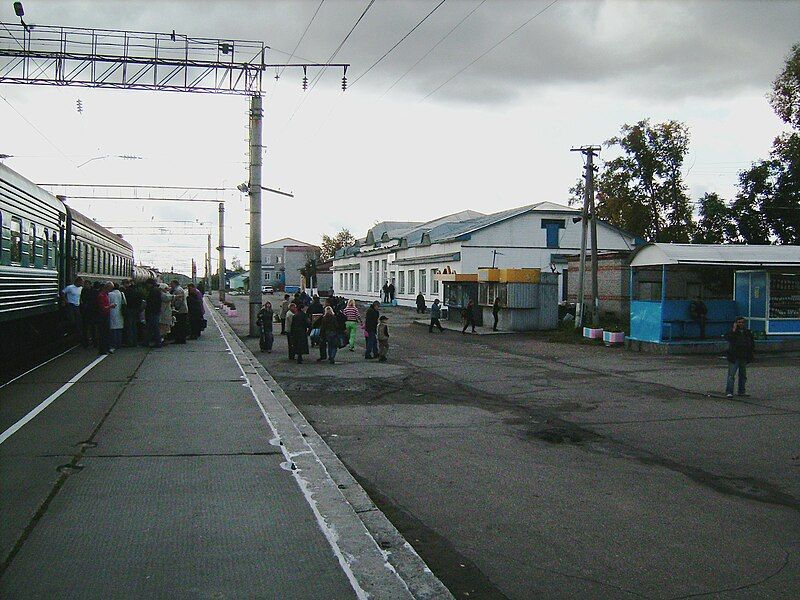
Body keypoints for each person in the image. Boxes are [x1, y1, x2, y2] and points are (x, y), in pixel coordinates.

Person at [724, 316, 755, 398]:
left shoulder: (747, 332)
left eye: (742, 322)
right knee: (731, 375)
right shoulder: (732, 332)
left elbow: (751, 343)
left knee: (743, 375)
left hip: (743, 356)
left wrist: (750, 354)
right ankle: (729, 391)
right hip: (734, 356)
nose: (741, 324)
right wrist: (734, 330)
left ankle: (741, 391)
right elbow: (729, 338)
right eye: (739, 322)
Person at [61, 276, 86, 345]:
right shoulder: (70, 287)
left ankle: (77, 336)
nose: (82, 283)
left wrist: (81, 301)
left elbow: (80, 296)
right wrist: (65, 300)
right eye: (82, 282)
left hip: (77, 306)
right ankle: (68, 332)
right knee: (72, 320)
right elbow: (63, 292)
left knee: (79, 321)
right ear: (78, 281)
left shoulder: (81, 288)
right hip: (71, 305)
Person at [96, 282, 116, 355]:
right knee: (103, 333)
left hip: (106, 315)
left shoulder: (105, 294)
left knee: (106, 333)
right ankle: (103, 350)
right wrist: (111, 306)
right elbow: (102, 308)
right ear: (107, 287)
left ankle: (106, 348)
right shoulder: (101, 295)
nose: (111, 290)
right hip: (102, 316)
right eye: (110, 288)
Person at [122, 280, 142, 347]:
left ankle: (129, 342)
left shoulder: (126, 292)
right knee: (134, 326)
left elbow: (124, 302)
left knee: (129, 326)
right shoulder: (137, 291)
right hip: (135, 310)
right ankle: (135, 342)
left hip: (129, 310)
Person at [108, 282, 126, 352]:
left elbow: (108, 302)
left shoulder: (110, 294)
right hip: (120, 312)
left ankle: (113, 344)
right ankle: (119, 343)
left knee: (113, 329)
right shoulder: (122, 294)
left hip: (112, 312)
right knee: (119, 329)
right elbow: (125, 303)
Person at [145, 278, 163, 347]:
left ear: (150, 284)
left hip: (153, 311)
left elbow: (151, 302)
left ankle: (157, 342)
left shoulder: (153, 291)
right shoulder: (156, 290)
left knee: (154, 328)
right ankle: (149, 341)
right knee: (153, 328)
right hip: (156, 311)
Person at [170, 280, 188, 344]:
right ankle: (181, 339)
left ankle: (180, 339)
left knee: (180, 325)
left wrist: (175, 308)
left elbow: (179, 300)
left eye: (171, 284)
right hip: (182, 310)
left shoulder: (178, 290)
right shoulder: (179, 289)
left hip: (181, 310)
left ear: (174, 284)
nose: (170, 285)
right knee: (181, 325)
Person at [80, 281, 97, 346]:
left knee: (92, 327)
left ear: (90, 284)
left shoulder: (93, 291)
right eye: (85, 284)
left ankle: (93, 340)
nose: (85, 285)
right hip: (86, 311)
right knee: (85, 327)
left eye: (86, 284)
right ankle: (86, 341)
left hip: (92, 311)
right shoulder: (83, 291)